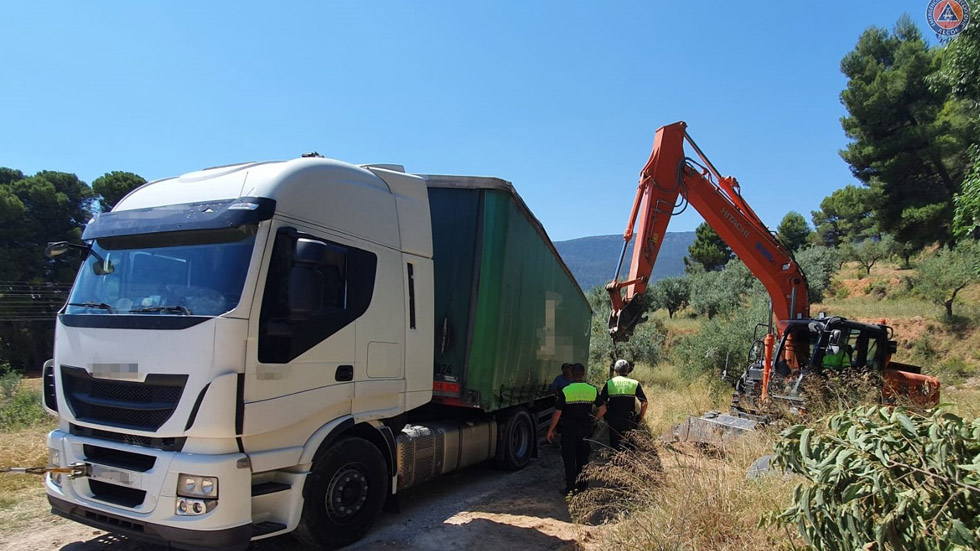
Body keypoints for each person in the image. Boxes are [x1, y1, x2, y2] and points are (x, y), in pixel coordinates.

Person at [546, 363, 599, 495]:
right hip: (585, 430)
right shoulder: (592, 389)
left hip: (569, 431)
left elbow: (558, 413)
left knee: (569, 459)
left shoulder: (566, 391)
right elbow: (603, 408)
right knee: (583, 458)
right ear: (583, 374)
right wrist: (594, 420)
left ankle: (570, 488)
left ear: (572, 374)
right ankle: (582, 486)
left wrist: (551, 430)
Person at [596, 359, 648, 451]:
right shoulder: (634, 383)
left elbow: (602, 403)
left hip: (613, 419)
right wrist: (640, 416)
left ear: (615, 371)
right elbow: (644, 403)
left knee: (615, 445)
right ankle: (629, 464)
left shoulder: (609, 383)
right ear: (628, 371)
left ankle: (616, 462)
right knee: (629, 446)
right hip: (630, 419)